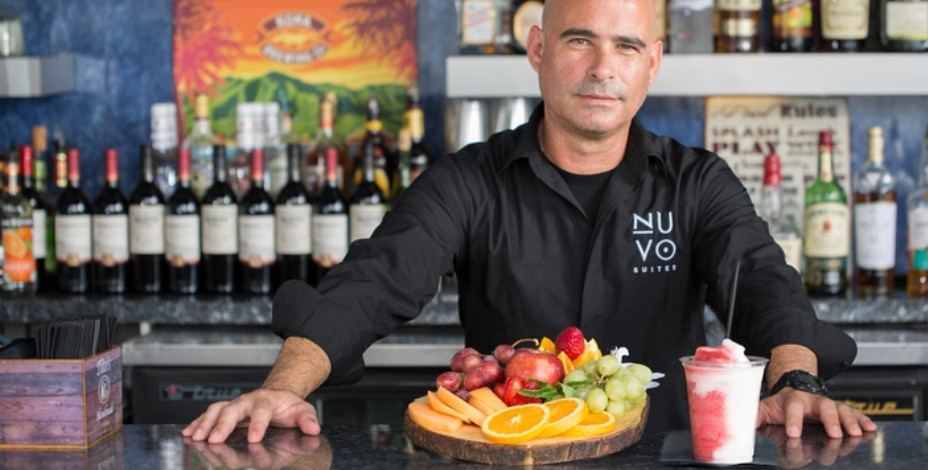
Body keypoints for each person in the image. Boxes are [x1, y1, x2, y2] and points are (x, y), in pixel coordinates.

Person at [184, 0, 876, 444]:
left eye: (627, 47)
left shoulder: (696, 181)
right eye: (580, 41)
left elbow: (760, 280)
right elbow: (375, 279)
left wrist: (796, 382)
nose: (603, 68)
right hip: (508, 458)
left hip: (664, 457)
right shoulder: (470, 180)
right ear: (538, 49)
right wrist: (280, 389)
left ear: (652, 65)